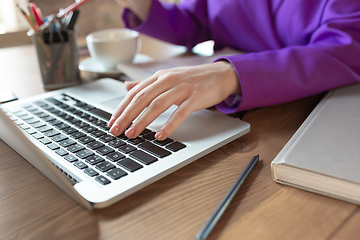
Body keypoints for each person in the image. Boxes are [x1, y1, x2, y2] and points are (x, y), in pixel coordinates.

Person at [108, 0, 360, 141]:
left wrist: (231, 75)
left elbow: (345, 48)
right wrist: (140, 4)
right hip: (230, 115)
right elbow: (194, 23)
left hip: (309, 120)